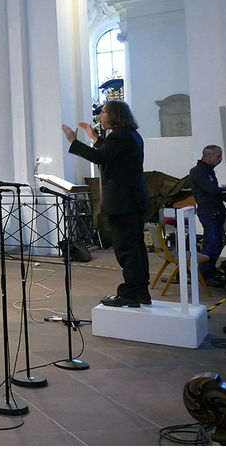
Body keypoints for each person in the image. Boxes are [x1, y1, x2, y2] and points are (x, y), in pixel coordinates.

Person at [63, 99, 151, 307]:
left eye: (103, 112)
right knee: (135, 249)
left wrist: (74, 142)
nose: (100, 116)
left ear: (115, 115)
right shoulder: (129, 135)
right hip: (131, 201)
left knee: (126, 250)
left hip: (124, 202)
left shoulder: (120, 136)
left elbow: (100, 157)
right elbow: (110, 154)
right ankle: (140, 292)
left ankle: (130, 294)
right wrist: (94, 137)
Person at [188, 145, 226, 285]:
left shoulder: (209, 171)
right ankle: (204, 274)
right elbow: (211, 190)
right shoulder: (197, 172)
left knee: (218, 243)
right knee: (212, 244)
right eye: (218, 156)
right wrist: (223, 190)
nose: (220, 159)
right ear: (208, 156)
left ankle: (210, 270)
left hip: (217, 212)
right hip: (209, 213)